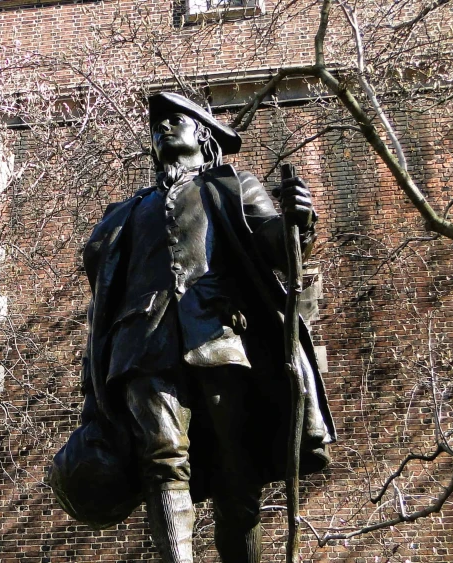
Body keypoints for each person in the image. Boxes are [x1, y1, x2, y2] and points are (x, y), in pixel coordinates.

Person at [77, 92, 335, 563]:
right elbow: (104, 301)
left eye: (175, 120)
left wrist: (299, 222)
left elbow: (278, 247)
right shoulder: (127, 213)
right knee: (162, 458)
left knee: (238, 474)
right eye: (157, 126)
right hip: (141, 346)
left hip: (218, 336)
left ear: (203, 135)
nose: (163, 129)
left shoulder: (231, 186)